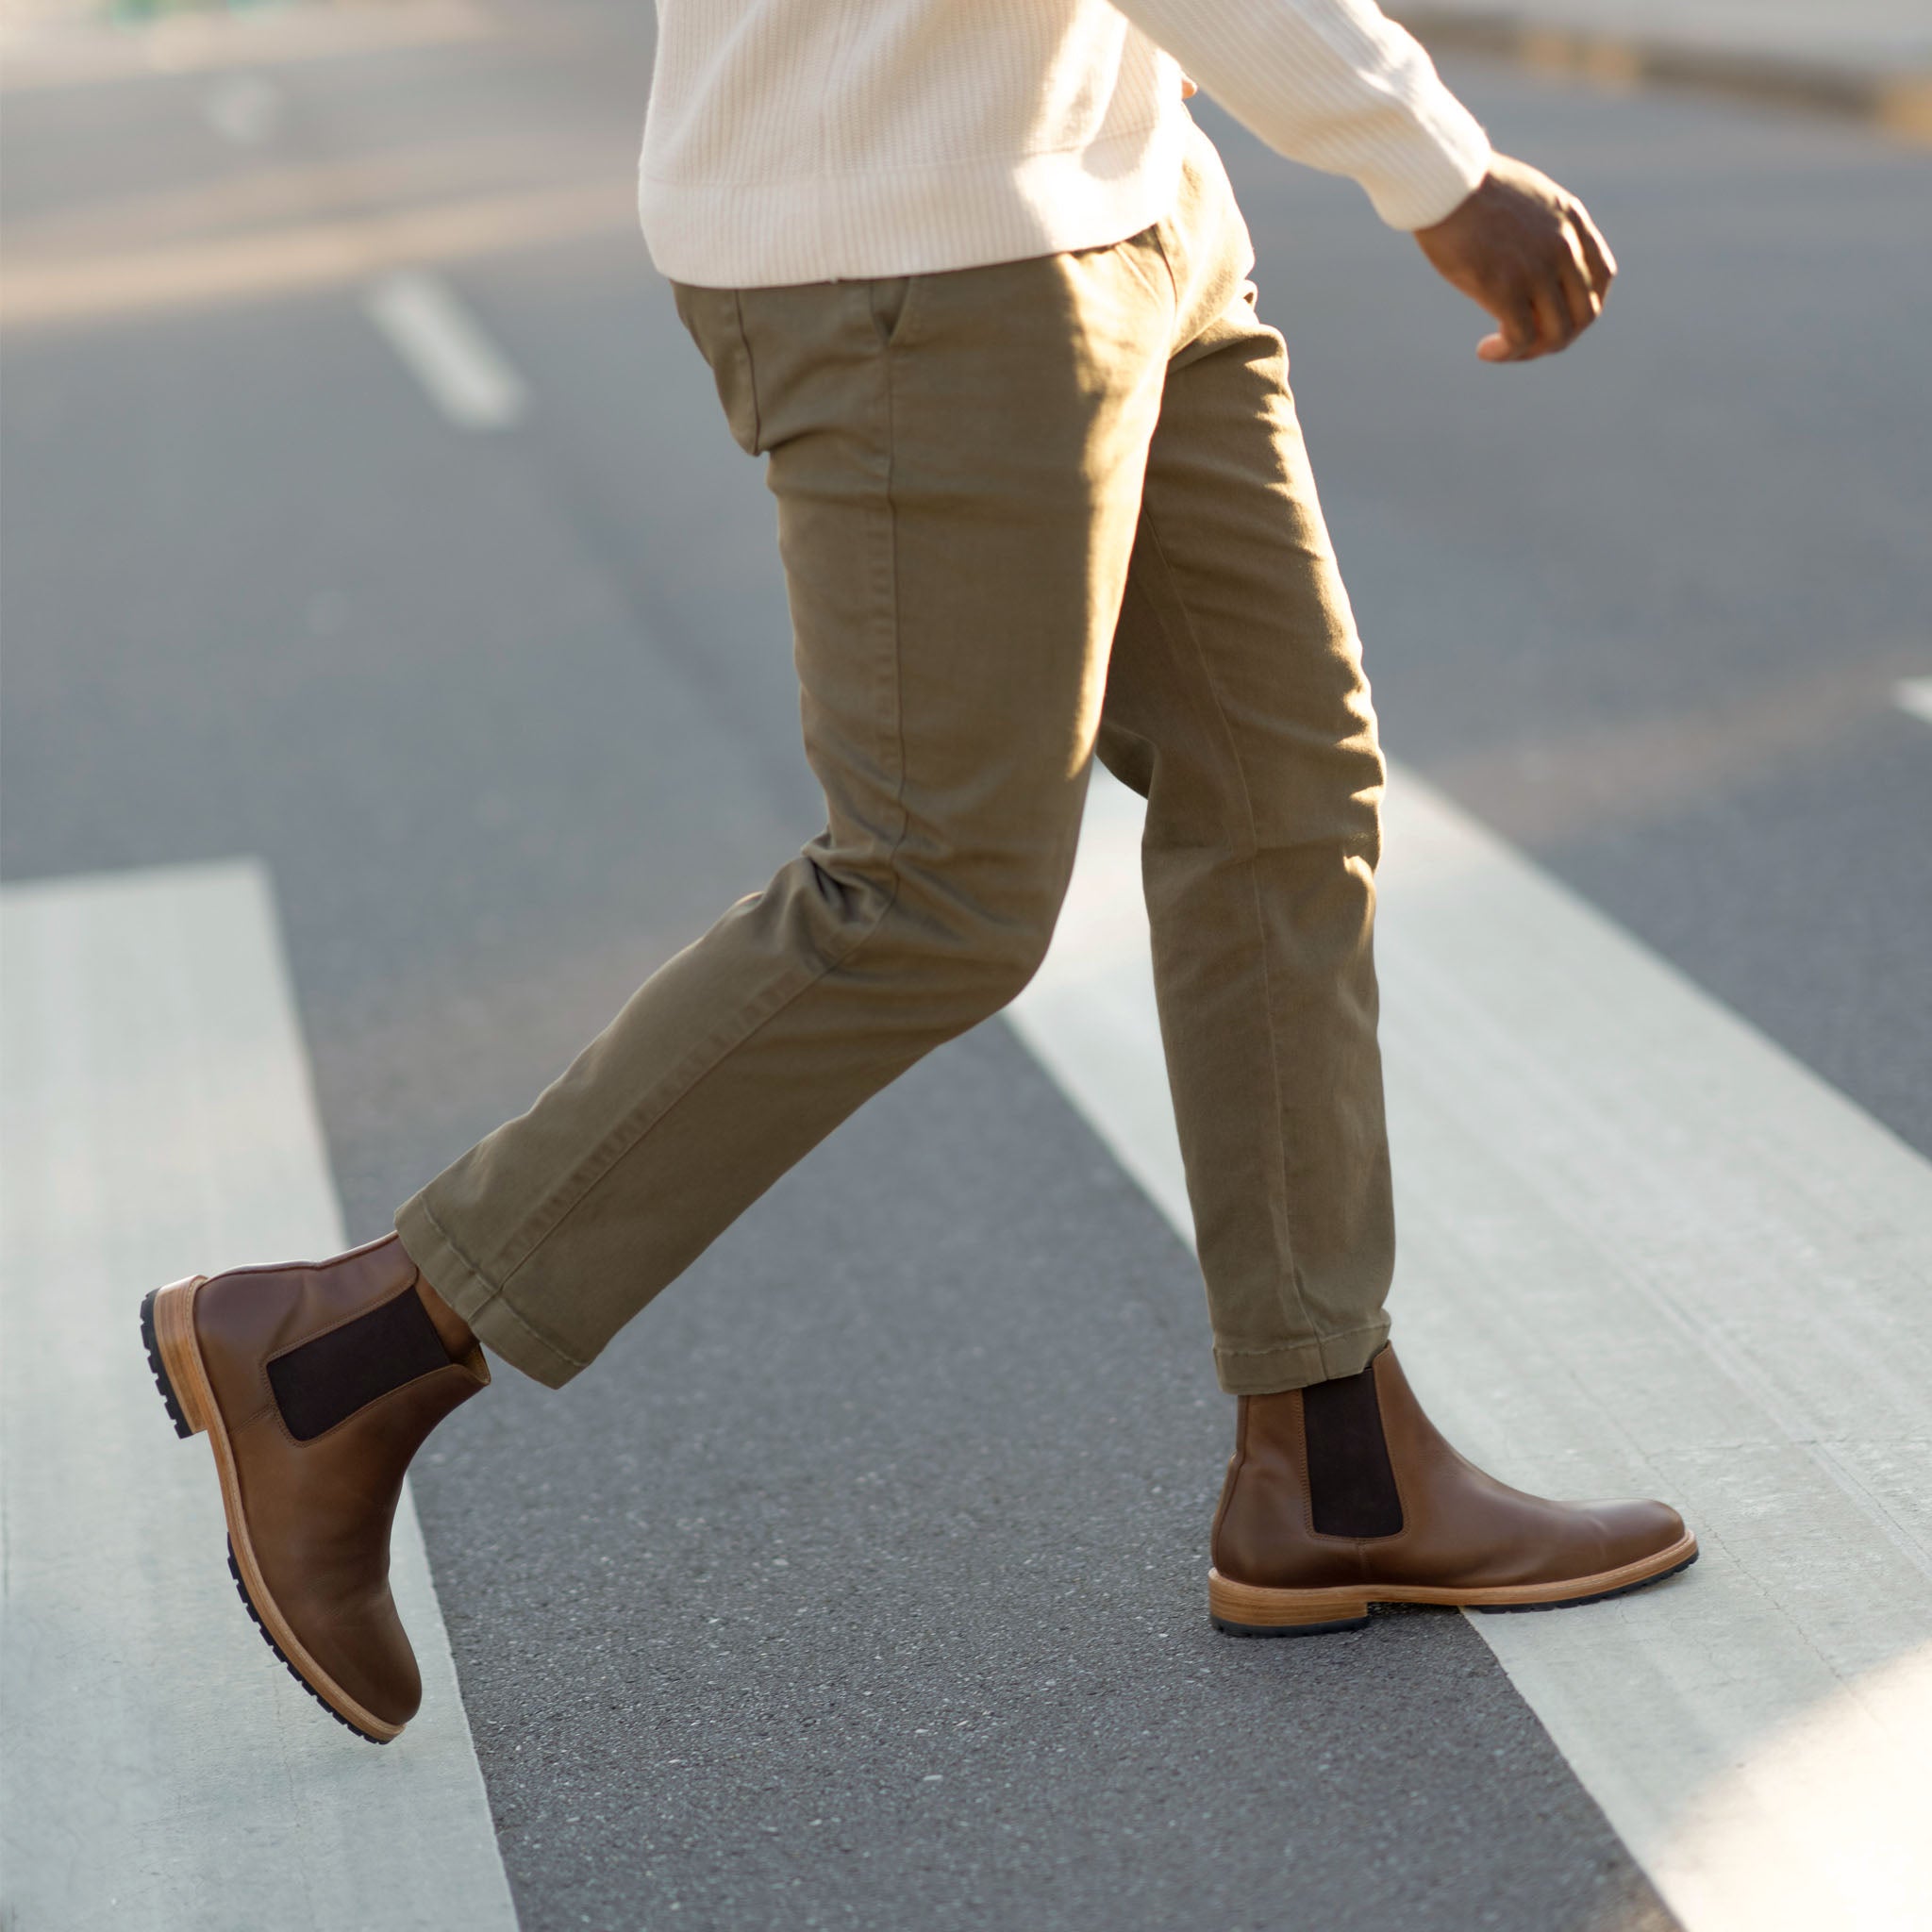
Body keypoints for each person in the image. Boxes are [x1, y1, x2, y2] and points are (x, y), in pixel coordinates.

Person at [139, 0, 1694, 1746]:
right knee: (933, 889)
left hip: (1125, 200)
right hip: (928, 254)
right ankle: (342, 1356)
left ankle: (1333, 1464)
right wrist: (1433, 164)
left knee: (1283, 795)